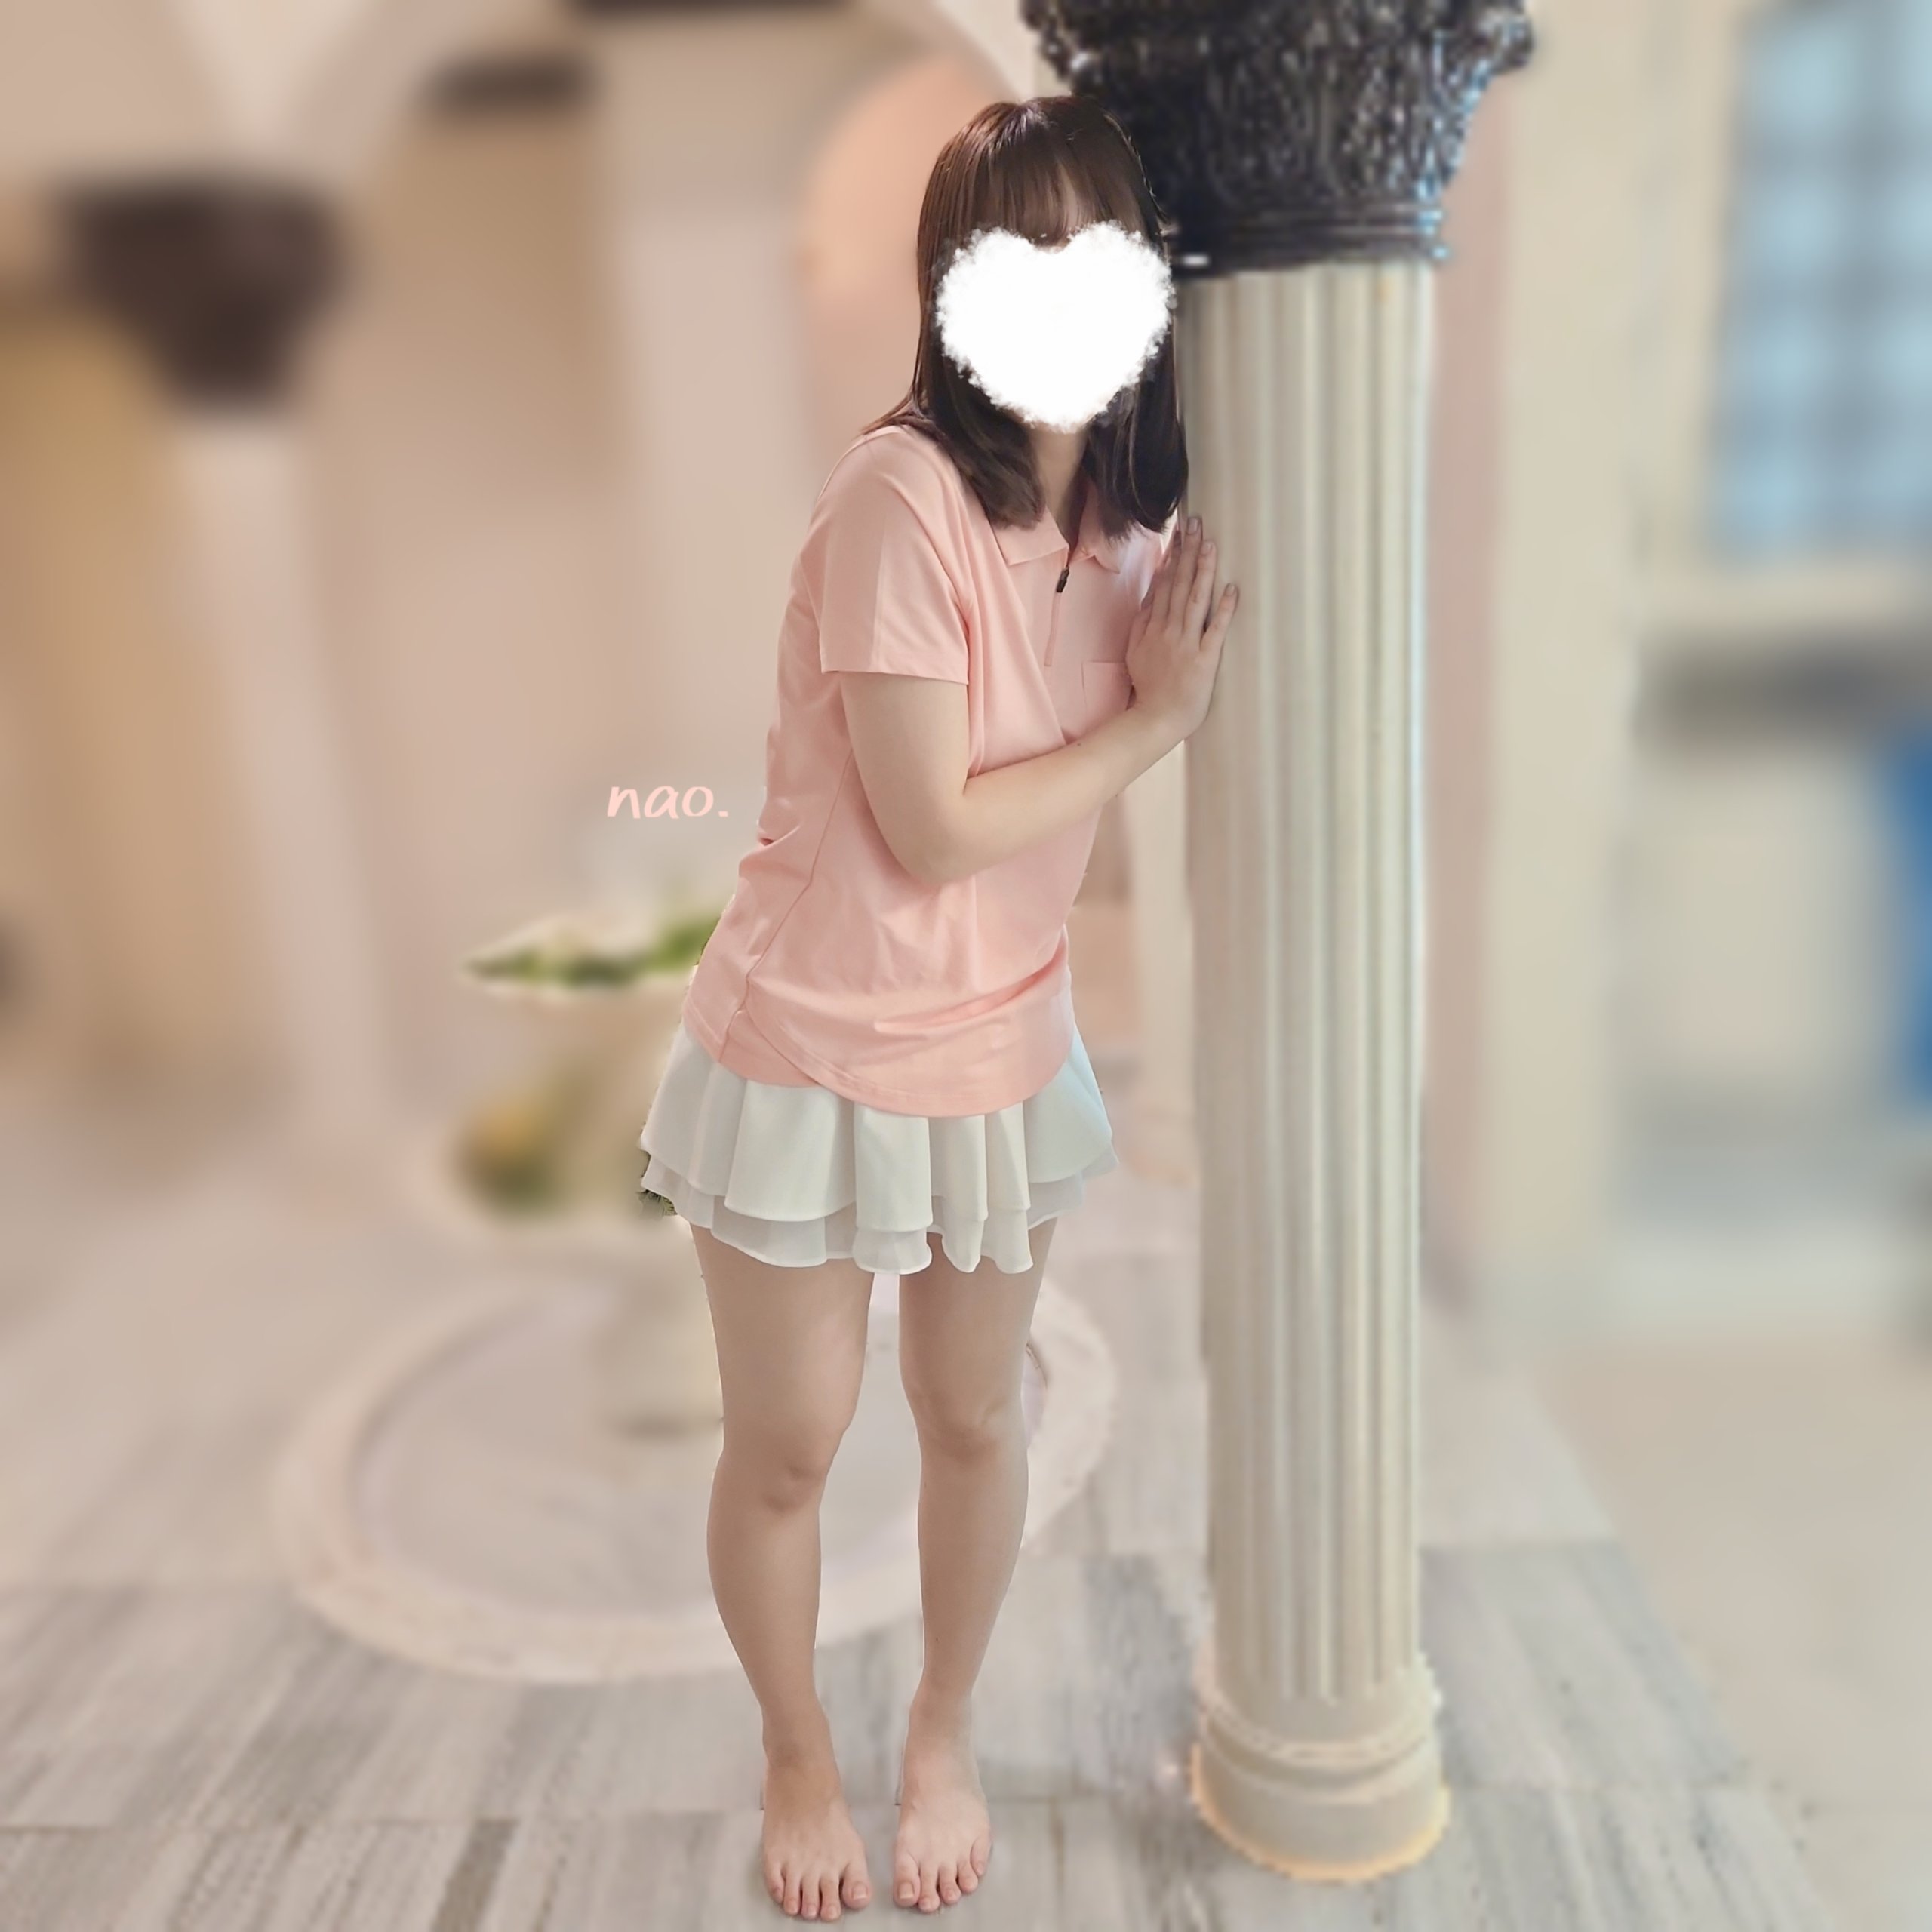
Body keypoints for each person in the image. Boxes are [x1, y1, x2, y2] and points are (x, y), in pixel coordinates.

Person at [638, 93, 1237, 1920]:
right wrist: (1152, 725)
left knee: (976, 1417)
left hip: (999, 1042)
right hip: (806, 1041)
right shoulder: (896, 499)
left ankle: (940, 1731)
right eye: (1018, 253)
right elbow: (932, 824)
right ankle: (796, 1750)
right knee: (791, 1445)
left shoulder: (1133, 529)